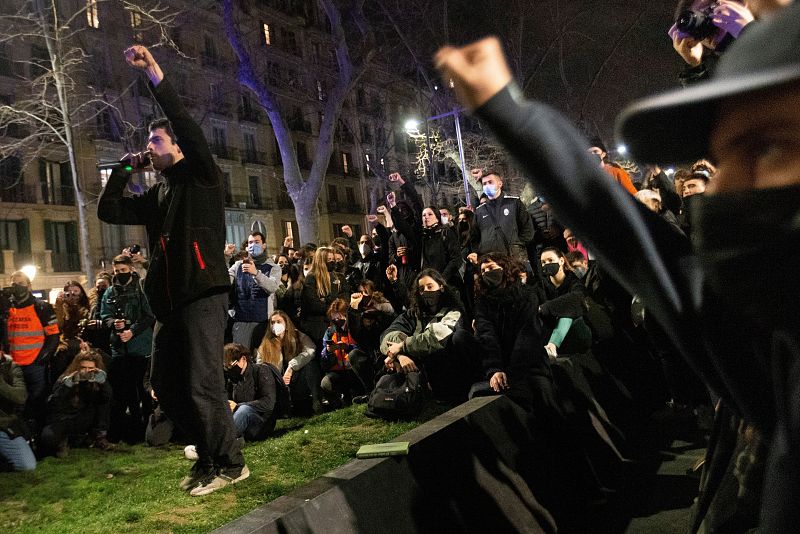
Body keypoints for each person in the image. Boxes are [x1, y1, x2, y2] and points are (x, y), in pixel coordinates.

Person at [434, 10, 800, 529]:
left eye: (768, 147)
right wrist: (510, 113)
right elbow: (628, 237)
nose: (721, 189)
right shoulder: (780, 355)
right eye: (722, 154)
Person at [97, 45, 246, 496]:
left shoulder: (202, 176)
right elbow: (108, 210)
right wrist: (126, 166)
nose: (149, 148)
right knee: (165, 383)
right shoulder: (158, 196)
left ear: (178, 146)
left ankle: (231, 463)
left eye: (155, 142)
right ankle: (207, 455)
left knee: (203, 382)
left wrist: (156, 75)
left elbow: (183, 123)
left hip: (203, 293)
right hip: (170, 303)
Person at [380, 269, 475, 403]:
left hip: (451, 369)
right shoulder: (413, 314)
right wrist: (400, 356)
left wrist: (403, 346)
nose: (426, 291)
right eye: (421, 288)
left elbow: (436, 337)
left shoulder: (453, 311)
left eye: (430, 286)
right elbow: (387, 336)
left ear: (441, 287)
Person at [101, 254, 155, 443]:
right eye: (116, 271)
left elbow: (149, 315)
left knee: (143, 392)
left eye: (123, 271)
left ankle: (147, 430)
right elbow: (104, 314)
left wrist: (132, 331)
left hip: (140, 348)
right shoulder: (110, 292)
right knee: (124, 393)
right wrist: (113, 323)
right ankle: (130, 432)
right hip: (119, 349)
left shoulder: (141, 289)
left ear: (131, 269)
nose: (120, 274)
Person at [4, 271, 59, 431]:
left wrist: (43, 357)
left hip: (35, 364)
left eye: (21, 283)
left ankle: (40, 435)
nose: (17, 287)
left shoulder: (41, 307)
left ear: (29, 285)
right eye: (14, 283)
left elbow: (53, 335)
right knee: (16, 403)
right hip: (12, 364)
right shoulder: (7, 308)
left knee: (37, 401)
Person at [39, 349, 113, 457]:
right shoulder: (65, 379)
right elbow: (52, 404)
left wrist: (103, 384)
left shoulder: (97, 380)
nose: (86, 371)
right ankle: (65, 440)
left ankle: (98, 437)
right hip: (64, 418)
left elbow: (107, 399)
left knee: (104, 400)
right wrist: (66, 386)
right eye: (83, 368)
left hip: (85, 417)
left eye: (90, 368)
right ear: (77, 367)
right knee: (48, 438)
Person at [255, 311, 321, 414]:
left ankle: (317, 402)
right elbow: (260, 365)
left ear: (286, 323)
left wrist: (291, 367)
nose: (275, 325)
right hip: (277, 385)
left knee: (311, 366)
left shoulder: (297, 336)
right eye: (272, 322)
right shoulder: (266, 343)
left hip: (296, 380)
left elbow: (310, 350)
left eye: (278, 321)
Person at [223, 343, 287, 441]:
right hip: (241, 421)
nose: (230, 369)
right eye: (226, 367)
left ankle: (220, 444)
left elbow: (268, 403)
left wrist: (238, 406)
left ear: (243, 359)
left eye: (232, 365)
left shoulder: (261, 371)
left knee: (244, 410)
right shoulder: (233, 379)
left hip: (262, 423)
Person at [469, 168, 534, 265]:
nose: (487, 185)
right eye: (484, 184)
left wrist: (516, 245)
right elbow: (475, 236)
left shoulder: (514, 203)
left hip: (513, 259)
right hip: (490, 261)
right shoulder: (480, 211)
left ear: (500, 184)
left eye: (490, 182)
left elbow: (527, 229)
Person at [228, 232, 281, 351]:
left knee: (263, 359)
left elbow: (272, 287)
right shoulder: (238, 266)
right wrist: (226, 257)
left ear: (264, 245)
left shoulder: (273, 268)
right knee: (241, 356)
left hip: (263, 321)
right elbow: (225, 281)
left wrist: (256, 273)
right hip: (242, 321)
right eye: (250, 242)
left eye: (257, 242)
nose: (253, 245)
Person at [319, 299, 361, 408]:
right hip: (337, 371)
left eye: (340, 317)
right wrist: (328, 351)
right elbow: (323, 360)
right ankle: (336, 405)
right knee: (325, 383)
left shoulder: (354, 328)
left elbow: (362, 349)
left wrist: (347, 347)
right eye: (334, 317)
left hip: (354, 371)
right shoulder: (330, 331)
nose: (337, 320)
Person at [0, 352, 36, 471]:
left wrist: (1, 384)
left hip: (4, 425)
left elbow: (21, 397)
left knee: (27, 466)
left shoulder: (11, 368)